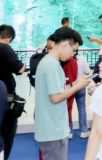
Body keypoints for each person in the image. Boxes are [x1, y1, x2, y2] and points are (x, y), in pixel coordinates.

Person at [34, 28, 90, 160]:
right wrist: (78, 87)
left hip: (52, 127)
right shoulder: (52, 65)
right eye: (73, 50)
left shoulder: (49, 62)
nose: (72, 54)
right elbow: (55, 98)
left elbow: (57, 90)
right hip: (53, 129)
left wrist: (75, 83)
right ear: (65, 44)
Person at [0, 25, 26, 160]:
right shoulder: (5, 48)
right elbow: (19, 69)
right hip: (4, 98)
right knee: (5, 135)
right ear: (9, 38)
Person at [74, 50, 91, 139]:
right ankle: (83, 131)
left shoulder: (65, 60)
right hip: (80, 86)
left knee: (68, 109)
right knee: (82, 109)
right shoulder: (82, 59)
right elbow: (87, 72)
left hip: (69, 86)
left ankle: (68, 132)